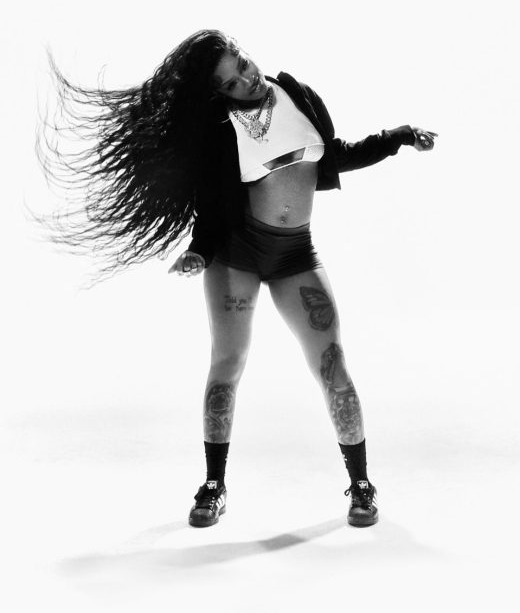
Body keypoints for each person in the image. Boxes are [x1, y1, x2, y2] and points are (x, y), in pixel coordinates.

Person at [36, 29, 437, 529]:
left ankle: (361, 484)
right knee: (228, 363)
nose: (245, 81)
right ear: (218, 92)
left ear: (247, 52)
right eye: (230, 83)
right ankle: (213, 485)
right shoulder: (219, 126)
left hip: (295, 255)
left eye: (243, 65)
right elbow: (211, 202)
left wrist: (398, 137)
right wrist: (199, 252)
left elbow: (335, 153)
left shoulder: (297, 94)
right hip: (237, 256)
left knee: (333, 364)